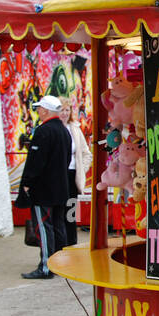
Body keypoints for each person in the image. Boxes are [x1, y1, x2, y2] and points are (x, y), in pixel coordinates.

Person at [17, 95, 72, 279]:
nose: (38, 111)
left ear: (46, 111)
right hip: (61, 188)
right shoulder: (64, 131)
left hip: (44, 190)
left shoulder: (43, 131)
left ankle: (46, 266)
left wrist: (27, 183)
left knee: (43, 226)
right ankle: (60, 264)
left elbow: (36, 162)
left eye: (40, 108)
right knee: (58, 226)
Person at [60, 99, 93, 246]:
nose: (65, 113)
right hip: (57, 177)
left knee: (71, 213)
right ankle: (59, 246)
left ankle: (72, 244)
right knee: (58, 212)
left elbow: (87, 154)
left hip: (72, 176)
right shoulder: (51, 128)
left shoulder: (75, 128)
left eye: (67, 110)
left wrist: (81, 170)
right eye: (62, 110)